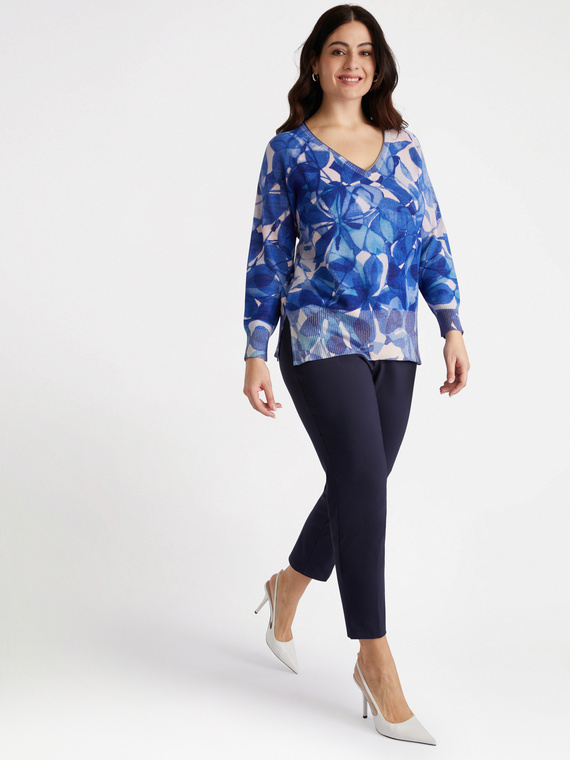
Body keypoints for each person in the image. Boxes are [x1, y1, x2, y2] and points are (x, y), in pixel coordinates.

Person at [242, 3, 469, 746]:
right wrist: (254, 347)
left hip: (395, 340)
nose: (352, 63)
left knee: (358, 484)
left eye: (364, 51)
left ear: (379, 64)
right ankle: (375, 659)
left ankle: (287, 587)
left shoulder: (406, 149)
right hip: (317, 336)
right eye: (338, 50)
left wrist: (452, 325)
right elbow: (268, 253)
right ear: (316, 62)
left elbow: (431, 241)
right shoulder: (289, 151)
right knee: (364, 483)